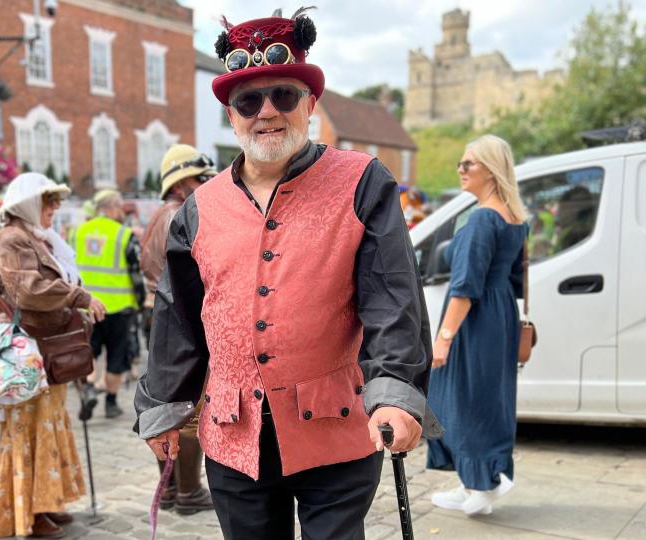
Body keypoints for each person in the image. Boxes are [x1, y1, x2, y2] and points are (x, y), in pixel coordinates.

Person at [134, 10, 441, 539]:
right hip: (235, 433)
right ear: (232, 116)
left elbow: (392, 295)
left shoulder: (363, 181)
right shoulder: (199, 208)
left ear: (310, 104)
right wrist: (163, 405)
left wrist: (393, 388)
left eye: (284, 95)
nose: (267, 112)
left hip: (335, 426)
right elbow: (178, 316)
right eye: (248, 102)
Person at [0, 172, 106, 539]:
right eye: (47, 202)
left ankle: (46, 502)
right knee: (29, 429)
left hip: (43, 347)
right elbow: (29, 290)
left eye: (55, 202)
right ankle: (27, 513)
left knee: (48, 425)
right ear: (27, 204)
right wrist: (78, 297)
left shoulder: (36, 238)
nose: (54, 209)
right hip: (24, 351)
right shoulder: (10, 240)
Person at [426, 134, 529, 515]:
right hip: (499, 315)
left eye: (469, 163)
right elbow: (514, 280)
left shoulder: (484, 218)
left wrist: (444, 338)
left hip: (475, 318)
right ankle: (474, 484)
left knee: (460, 401)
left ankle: (481, 484)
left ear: (491, 169)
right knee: (485, 400)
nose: (461, 169)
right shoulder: (513, 217)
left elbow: (465, 286)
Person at [139, 143, 215, 515]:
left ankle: (168, 490)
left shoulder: (157, 216)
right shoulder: (183, 214)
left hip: (162, 320)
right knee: (189, 409)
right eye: (200, 178)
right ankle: (188, 492)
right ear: (182, 181)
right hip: (184, 321)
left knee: (168, 404)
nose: (205, 184)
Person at [73, 188, 142, 419]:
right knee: (116, 356)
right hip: (119, 307)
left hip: (85, 307)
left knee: (89, 352)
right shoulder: (124, 234)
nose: (122, 212)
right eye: (121, 207)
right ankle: (111, 404)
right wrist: (141, 301)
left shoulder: (77, 233)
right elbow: (136, 273)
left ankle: (90, 388)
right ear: (112, 208)